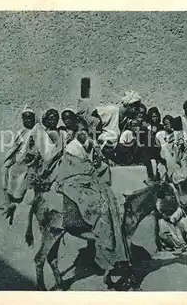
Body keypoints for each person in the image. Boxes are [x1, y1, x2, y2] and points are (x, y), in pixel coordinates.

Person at [55, 118, 130, 287]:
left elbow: (100, 161)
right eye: (79, 131)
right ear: (74, 132)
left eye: (85, 131)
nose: (83, 133)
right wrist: (92, 167)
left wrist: (97, 163)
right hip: (74, 182)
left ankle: (111, 252)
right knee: (98, 207)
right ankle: (104, 250)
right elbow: (73, 168)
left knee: (109, 198)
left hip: (89, 179)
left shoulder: (90, 144)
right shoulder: (72, 147)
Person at [0, 107, 42, 223]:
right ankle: (7, 201)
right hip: (19, 157)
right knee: (5, 168)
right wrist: (13, 158)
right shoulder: (21, 131)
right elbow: (15, 147)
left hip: (30, 160)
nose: (28, 121)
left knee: (21, 173)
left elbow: (38, 148)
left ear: (34, 119)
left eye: (30, 118)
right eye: (26, 118)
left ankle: (16, 199)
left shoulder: (38, 130)